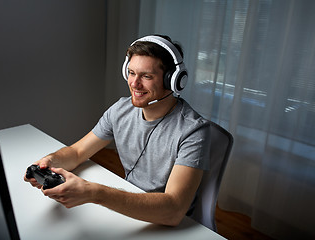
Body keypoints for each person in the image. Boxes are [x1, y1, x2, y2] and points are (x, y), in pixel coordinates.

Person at [24, 35, 210, 227]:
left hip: (164, 223)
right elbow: (78, 152)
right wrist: (49, 161)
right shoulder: (121, 109)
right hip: (127, 207)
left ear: (173, 80)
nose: (134, 84)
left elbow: (174, 210)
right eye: (131, 73)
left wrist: (95, 193)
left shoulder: (193, 131)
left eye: (146, 76)